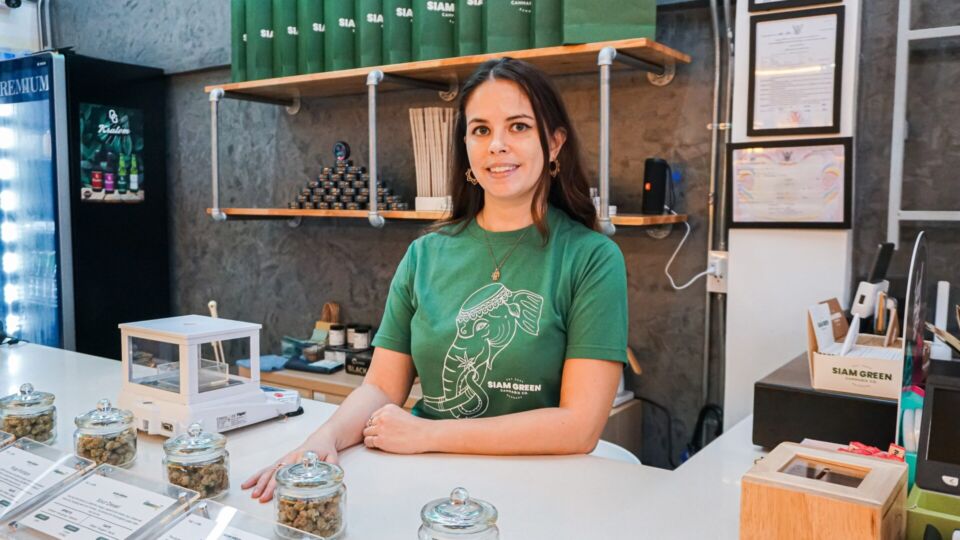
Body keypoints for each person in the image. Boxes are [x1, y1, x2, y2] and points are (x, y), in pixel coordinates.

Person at [243, 57, 628, 503]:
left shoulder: (591, 258)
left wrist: (428, 433)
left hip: (540, 491)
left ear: (555, 142)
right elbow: (383, 387)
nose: (497, 145)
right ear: (465, 144)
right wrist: (323, 438)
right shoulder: (425, 254)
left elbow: (578, 427)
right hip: (427, 487)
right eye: (481, 130)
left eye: (519, 127)